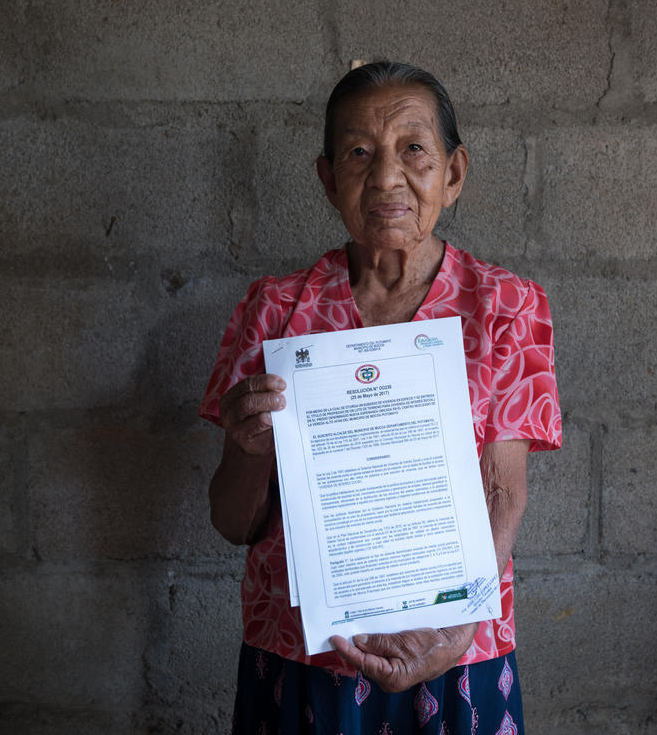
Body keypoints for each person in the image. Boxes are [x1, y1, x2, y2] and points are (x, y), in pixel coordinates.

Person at [201, 61, 562, 735]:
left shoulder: (506, 308)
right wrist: (251, 451)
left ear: (452, 174)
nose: (386, 176)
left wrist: (454, 630)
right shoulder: (275, 310)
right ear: (327, 177)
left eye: (413, 149)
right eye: (359, 153)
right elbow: (231, 521)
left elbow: (502, 493)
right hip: (304, 653)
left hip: (457, 649)